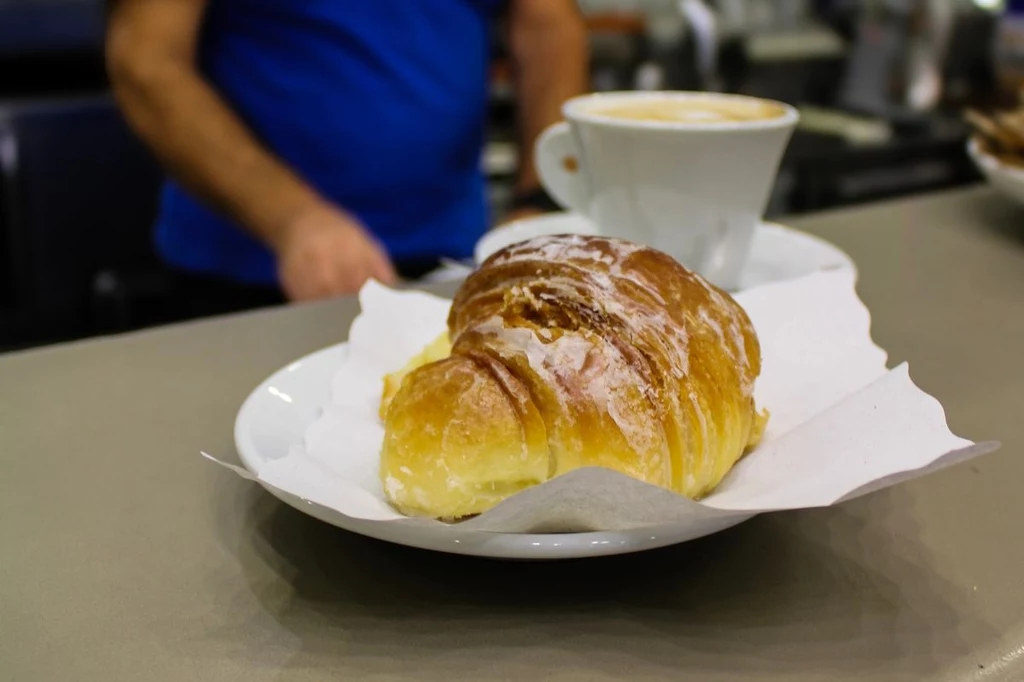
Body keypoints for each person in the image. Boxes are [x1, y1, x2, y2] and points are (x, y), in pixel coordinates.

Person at [106, 0, 588, 315]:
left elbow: (547, 25)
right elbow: (146, 57)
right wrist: (292, 219)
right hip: (249, 278)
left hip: (452, 267)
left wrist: (539, 197)